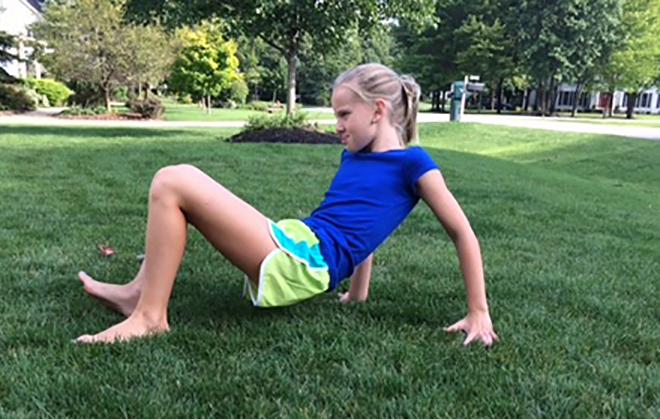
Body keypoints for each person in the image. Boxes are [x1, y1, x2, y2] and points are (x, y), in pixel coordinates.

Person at [75, 63, 498, 346]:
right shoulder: (355, 157)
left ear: (378, 110)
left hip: (307, 262)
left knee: (173, 180)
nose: (336, 126)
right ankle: (138, 294)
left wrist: (478, 311)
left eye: (343, 114)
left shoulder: (414, 164)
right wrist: (357, 295)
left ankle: (151, 317)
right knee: (176, 184)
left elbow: (462, 232)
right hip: (302, 240)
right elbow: (362, 227)